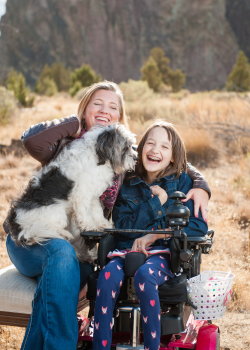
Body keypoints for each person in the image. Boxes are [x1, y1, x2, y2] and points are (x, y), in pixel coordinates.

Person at [4, 81, 210, 350]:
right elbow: (30, 140)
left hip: (77, 245)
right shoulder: (63, 143)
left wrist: (201, 186)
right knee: (62, 256)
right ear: (84, 108)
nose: (104, 110)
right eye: (96, 104)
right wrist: (74, 124)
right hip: (32, 237)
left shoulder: (118, 150)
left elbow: (168, 157)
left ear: (119, 119)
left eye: (112, 107)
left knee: (56, 286)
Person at [92, 120, 208, 350]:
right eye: (151, 143)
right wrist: (157, 202)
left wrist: (155, 236)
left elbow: (198, 227)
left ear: (173, 156)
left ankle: (151, 346)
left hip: (164, 253)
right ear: (141, 148)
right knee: (106, 278)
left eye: (164, 147)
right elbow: (124, 225)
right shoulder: (128, 182)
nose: (156, 150)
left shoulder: (184, 182)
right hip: (126, 249)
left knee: (146, 275)